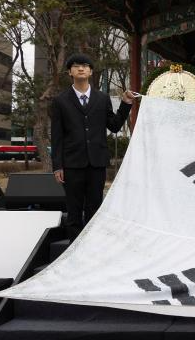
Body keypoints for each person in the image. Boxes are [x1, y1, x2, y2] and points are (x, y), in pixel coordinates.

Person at [51, 54, 138, 238]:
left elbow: (114, 125)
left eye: (85, 65)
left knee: (95, 209)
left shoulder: (102, 98)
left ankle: (92, 246)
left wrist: (125, 104)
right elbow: (57, 136)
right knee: (74, 211)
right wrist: (57, 165)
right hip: (72, 164)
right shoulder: (60, 101)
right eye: (76, 66)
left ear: (90, 71)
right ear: (70, 72)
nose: (81, 68)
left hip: (97, 163)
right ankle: (74, 249)